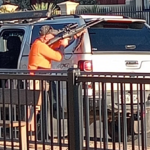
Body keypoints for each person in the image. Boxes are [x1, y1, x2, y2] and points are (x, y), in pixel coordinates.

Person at [28, 25, 85, 138]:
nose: (53, 36)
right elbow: (59, 57)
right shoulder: (40, 46)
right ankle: (34, 134)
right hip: (38, 79)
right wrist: (63, 46)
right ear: (44, 36)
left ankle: (39, 134)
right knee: (37, 108)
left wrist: (73, 37)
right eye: (51, 35)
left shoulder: (42, 44)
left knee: (40, 108)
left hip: (41, 78)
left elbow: (57, 43)